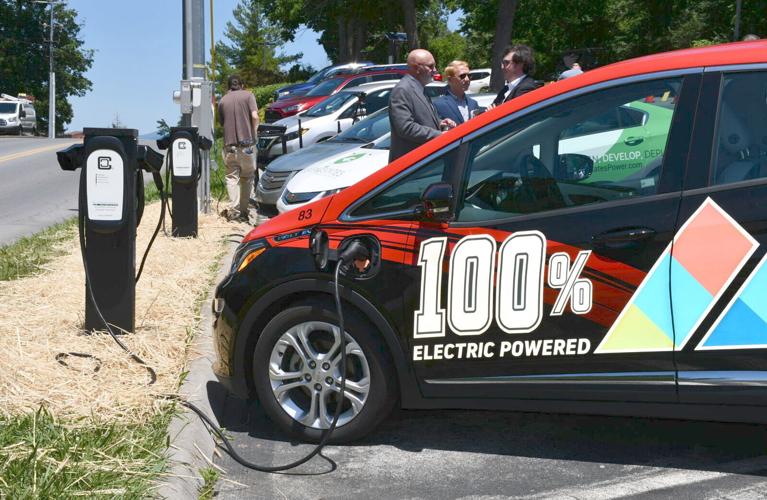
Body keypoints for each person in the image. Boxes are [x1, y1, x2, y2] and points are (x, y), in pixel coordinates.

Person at [389, 49, 456, 162]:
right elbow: (405, 128)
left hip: (424, 162)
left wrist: (440, 123)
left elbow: (423, 119)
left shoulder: (420, 88)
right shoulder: (402, 90)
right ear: (416, 68)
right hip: (409, 166)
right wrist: (439, 135)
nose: (435, 70)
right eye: (430, 66)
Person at [217, 74, 259, 222]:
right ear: (242, 85)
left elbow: (222, 123)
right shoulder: (249, 96)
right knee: (247, 178)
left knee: (231, 178)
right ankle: (244, 210)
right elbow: (254, 116)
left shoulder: (222, 100)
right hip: (247, 145)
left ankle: (234, 212)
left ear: (229, 87)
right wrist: (254, 133)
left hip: (229, 147)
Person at [433, 60, 483, 125]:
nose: (467, 79)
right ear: (450, 80)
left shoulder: (473, 103)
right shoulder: (438, 105)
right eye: (462, 76)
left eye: (469, 76)